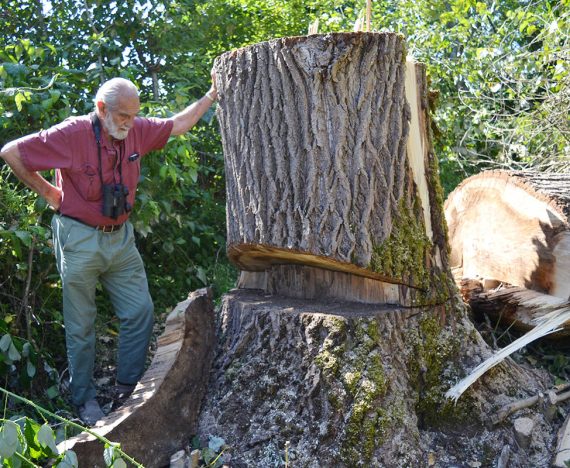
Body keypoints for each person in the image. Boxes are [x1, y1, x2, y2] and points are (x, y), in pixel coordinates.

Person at [0, 74, 218, 425]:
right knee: (81, 324)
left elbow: (179, 124)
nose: (129, 124)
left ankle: (127, 387)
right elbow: (11, 152)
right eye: (122, 117)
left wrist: (211, 94)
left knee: (140, 311)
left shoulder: (136, 129)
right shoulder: (71, 134)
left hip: (121, 239)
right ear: (101, 109)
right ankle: (84, 398)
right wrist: (48, 193)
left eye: (134, 116)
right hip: (79, 238)